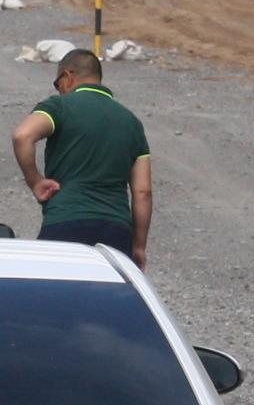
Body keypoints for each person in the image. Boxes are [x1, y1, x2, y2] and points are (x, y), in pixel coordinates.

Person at [10, 48, 151, 267]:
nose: (59, 91)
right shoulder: (132, 123)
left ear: (67, 77)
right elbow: (143, 192)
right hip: (116, 232)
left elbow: (22, 135)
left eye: (58, 85)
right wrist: (138, 246)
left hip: (65, 223)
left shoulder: (60, 107)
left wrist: (35, 181)